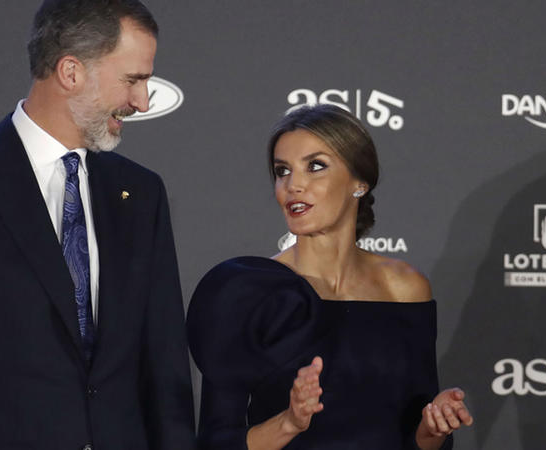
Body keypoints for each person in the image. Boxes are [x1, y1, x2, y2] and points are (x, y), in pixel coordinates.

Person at [0, 1, 196, 449]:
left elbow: (165, 368)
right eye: (133, 80)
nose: (142, 100)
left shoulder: (140, 193)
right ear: (71, 72)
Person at [187, 104, 473, 450]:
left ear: (359, 182)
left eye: (315, 166)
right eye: (282, 171)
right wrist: (289, 423)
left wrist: (434, 428)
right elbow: (217, 442)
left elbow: (417, 441)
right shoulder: (248, 292)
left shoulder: (406, 288)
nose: (294, 185)